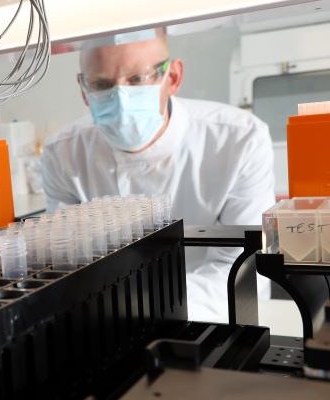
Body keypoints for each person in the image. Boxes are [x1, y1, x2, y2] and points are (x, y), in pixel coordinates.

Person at [40, 29, 275, 323]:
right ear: (83, 90)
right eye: (101, 84)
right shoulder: (63, 154)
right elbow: (71, 260)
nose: (120, 98)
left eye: (137, 79)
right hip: (108, 319)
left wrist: (153, 309)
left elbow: (241, 264)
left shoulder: (238, 139)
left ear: (173, 77)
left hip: (215, 313)